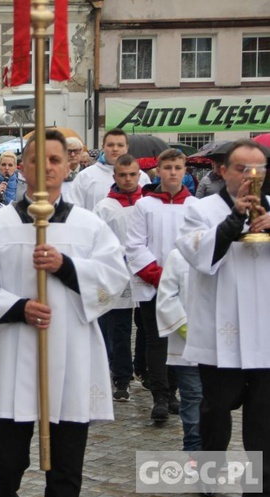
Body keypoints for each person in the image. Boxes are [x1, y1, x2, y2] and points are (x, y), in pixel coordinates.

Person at [0, 130, 129, 497]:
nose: (47, 167)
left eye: (55, 160)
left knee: (66, 466)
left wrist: (66, 266)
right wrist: (18, 307)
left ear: (69, 166)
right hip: (12, 350)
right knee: (9, 459)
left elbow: (114, 279)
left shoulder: (90, 225)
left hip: (72, 352)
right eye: (37, 160)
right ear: (22, 167)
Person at [175, 139, 270, 495]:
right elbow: (196, 253)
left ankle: (259, 489)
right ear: (222, 170)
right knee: (215, 413)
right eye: (242, 169)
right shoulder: (200, 209)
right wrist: (235, 220)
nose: (250, 176)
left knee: (263, 422)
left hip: (265, 336)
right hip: (220, 332)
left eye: (257, 170)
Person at [125, 148, 196, 423]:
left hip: (185, 285)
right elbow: (134, 245)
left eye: (178, 168)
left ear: (185, 170)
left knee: (179, 339)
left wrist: (180, 277)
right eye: (168, 168)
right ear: (158, 170)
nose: (173, 173)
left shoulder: (194, 206)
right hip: (152, 283)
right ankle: (160, 395)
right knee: (156, 341)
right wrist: (159, 275)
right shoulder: (145, 205)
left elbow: (197, 245)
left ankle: (174, 392)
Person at [93, 154, 143, 402]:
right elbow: (98, 242)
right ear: (114, 177)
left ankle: (145, 369)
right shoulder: (104, 207)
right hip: (119, 275)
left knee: (147, 327)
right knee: (120, 328)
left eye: (132, 174)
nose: (128, 179)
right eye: (122, 175)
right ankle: (121, 377)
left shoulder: (148, 203)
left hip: (146, 273)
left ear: (139, 174)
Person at [156, 248, 202, 454]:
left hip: (222, 347)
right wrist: (186, 328)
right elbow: (166, 297)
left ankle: (213, 448)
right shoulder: (178, 256)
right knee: (192, 397)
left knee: (217, 403)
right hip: (187, 347)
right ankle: (193, 448)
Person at [68, 128, 151, 210]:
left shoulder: (142, 177)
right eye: (110, 145)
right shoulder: (85, 176)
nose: (115, 149)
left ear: (127, 147)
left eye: (120, 145)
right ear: (103, 147)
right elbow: (74, 210)